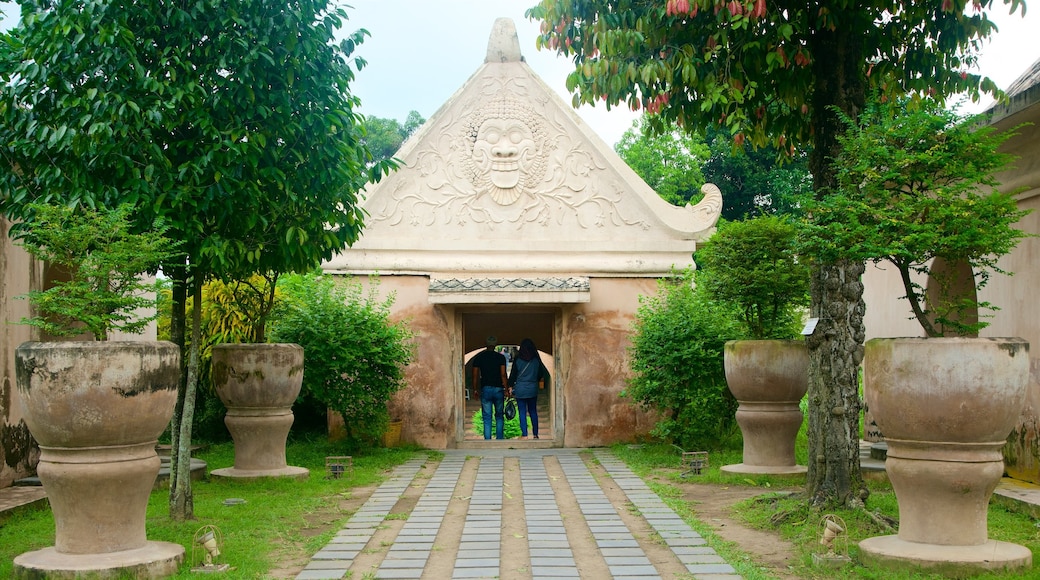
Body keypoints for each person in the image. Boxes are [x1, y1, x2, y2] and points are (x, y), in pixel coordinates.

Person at [508, 338, 550, 440]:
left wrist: (510, 386)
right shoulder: (536, 360)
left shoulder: (518, 360)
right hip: (532, 388)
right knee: (533, 411)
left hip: (520, 389)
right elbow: (541, 374)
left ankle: (525, 435)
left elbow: (513, 375)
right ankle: (535, 434)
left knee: (522, 412)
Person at [471, 335, 508, 440]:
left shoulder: (479, 357)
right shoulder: (500, 357)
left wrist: (475, 389)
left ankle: (487, 441)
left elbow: (475, 375)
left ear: (486, 344)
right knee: (499, 416)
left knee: (487, 417)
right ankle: (499, 439)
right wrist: (506, 389)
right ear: (495, 345)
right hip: (498, 389)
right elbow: (503, 374)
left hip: (486, 389)